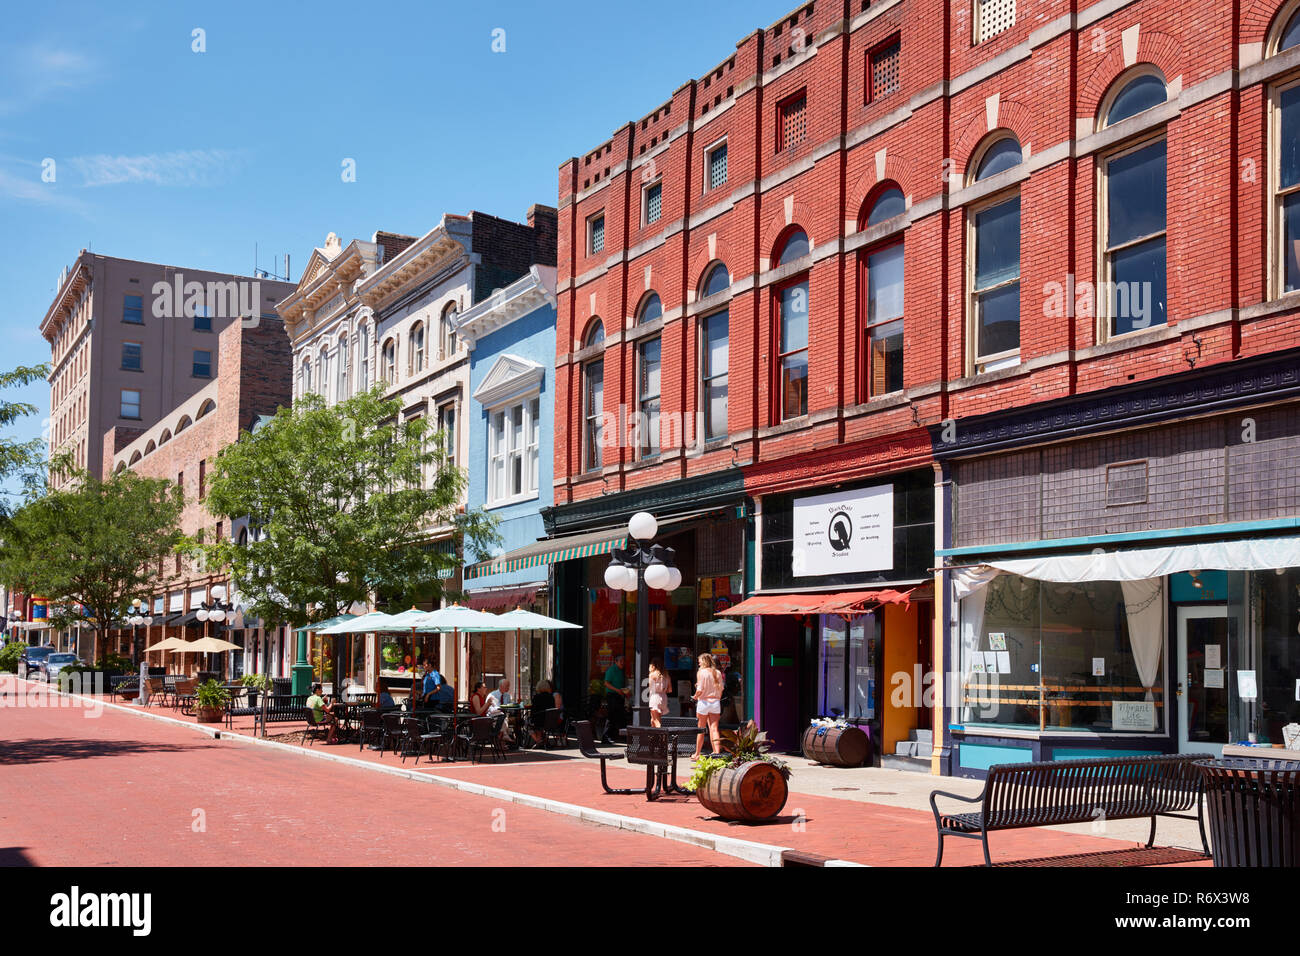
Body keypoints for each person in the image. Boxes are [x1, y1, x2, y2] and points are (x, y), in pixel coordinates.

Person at [692, 654, 724, 759]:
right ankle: (716, 752)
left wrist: (695, 697)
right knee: (714, 729)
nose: (699, 663)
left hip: (704, 702)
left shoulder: (701, 672)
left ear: (705, 661)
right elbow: (721, 688)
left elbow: (700, 689)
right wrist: (717, 698)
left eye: (700, 661)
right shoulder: (717, 673)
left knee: (701, 729)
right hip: (715, 702)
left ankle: (697, 754)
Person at [603, 654, 630, 744]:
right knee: (611, 716)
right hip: (612, 696)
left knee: (621, 716)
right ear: (616, 661)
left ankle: (622, 737)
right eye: (621, 661)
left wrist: (625, 692)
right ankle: (605, 737)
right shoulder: (611, 670)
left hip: (619, 696)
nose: (623, 663)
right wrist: (617, 690)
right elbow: (606, 683)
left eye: (623, 661)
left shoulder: (621, 671)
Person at [529, 680, 557, 745]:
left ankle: (539, 741)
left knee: (526, 723)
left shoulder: (536, 697)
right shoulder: (551, 697)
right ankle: (542, 740)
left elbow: (533, 711)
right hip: (550, 722)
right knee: (538, 724)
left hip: (539, 721)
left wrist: (531, 718)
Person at [647, 659, 671, 728]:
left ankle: (663, 737)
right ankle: (653, 738)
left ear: (653, 665)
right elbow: (670, 690)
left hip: (655, 697)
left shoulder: (652, 675)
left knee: (656, 721)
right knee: (653, 720)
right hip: (663, 698)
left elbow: (648, 688)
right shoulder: (666, 675)